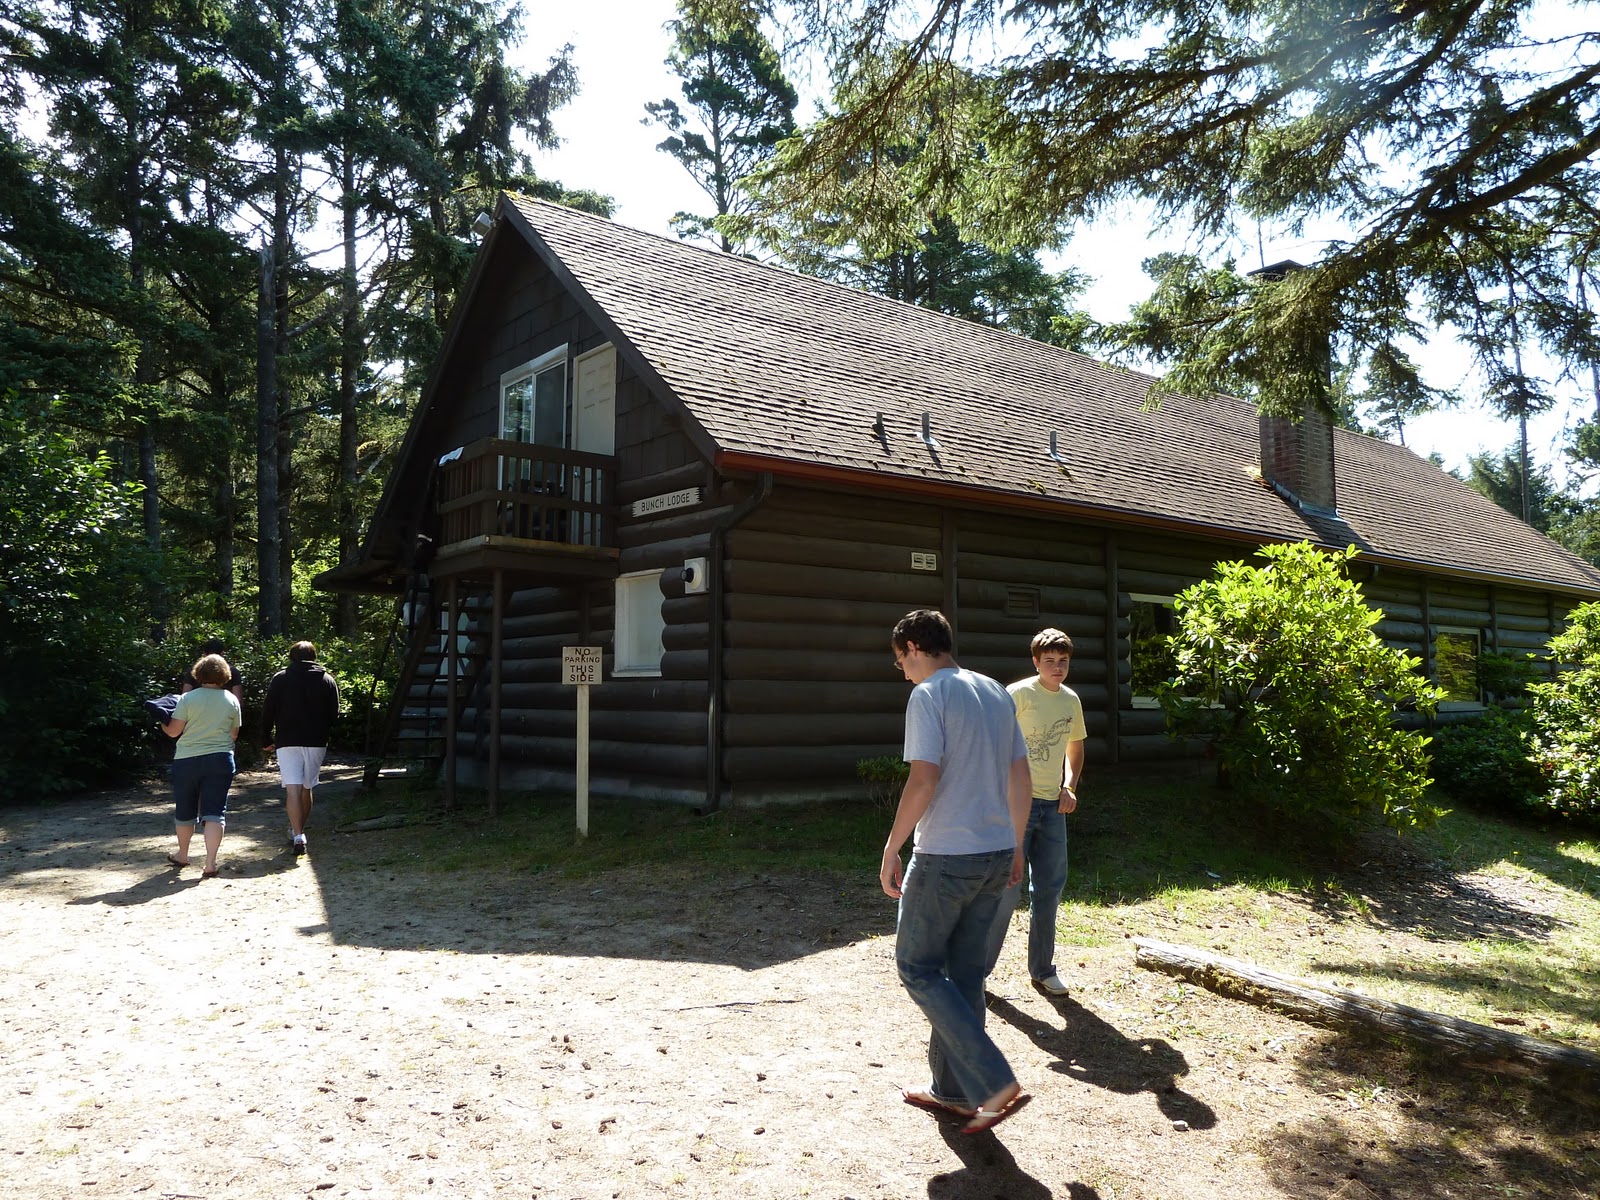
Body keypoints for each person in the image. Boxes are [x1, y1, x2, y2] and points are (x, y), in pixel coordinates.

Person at [881, 608, 1034, 1135]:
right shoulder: (995, 690)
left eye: (902, 660)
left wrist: (891, 847)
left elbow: (923, 780)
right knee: (965, 975)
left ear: (916, 648)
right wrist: (1015, 845)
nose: (903, 671)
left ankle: (991, 1078)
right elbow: (1022, 774)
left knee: (917, 968)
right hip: (995, 853)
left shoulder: (928, 695)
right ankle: (955, 1092)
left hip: (947, 855)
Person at [983, 628, 1088, 997]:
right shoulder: (1020, 694)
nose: (1057, 668)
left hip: (1052, 808)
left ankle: (1043, 969)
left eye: (1063, 661)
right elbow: (991, 738)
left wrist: (1069, 785)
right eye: (1050, 662)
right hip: (1015, 805)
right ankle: (976, 973)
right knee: (1005, 891)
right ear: (1035, 662)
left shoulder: (1070, 700)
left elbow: (1075, 748)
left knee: (1049, 890)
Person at [161, 652, 241, 877]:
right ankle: (210, 863)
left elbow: (174, 731)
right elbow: (233, 735)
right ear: (225, 674)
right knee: (215, 811)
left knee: (185, 808)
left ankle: (183, 854)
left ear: (199, 674)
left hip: (187, 759)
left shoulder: (187, 699)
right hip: (220, 759)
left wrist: (162, 724)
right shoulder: (231, 700)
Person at [261, 641, 340, 855]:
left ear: (291, 657)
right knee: (307, 786)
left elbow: (269, 709)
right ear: (314, 656)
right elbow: (334, 714)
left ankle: (297, 835)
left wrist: (265, 735)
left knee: (292, 789)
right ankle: (300, 831)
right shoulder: (327, 680)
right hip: (316, 740)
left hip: (287, 740)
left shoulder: (280, 678)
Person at [179, 637, 245, 703]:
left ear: (204, 654)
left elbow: (185, 696)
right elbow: (238, 700)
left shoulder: (195, 670)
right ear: (222, 653)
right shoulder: (232, 671)